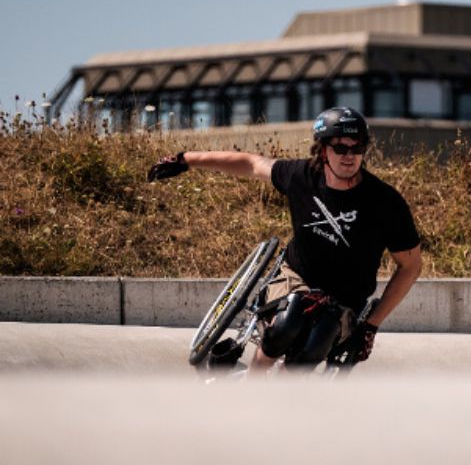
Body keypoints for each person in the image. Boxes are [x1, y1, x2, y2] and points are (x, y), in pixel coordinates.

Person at [147, 106, 422, 372]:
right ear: (323, 150)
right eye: (340, 148)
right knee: (289, 321)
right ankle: (253, 384)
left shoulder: (385, 203)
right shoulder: (302, 176)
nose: (349, 156)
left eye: (357, 148)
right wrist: (184, 159)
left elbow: (411, 266)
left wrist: (371, 326)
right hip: (295, 278)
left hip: (344, 302)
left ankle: (280, 398)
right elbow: (251, 163)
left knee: (318, 339)